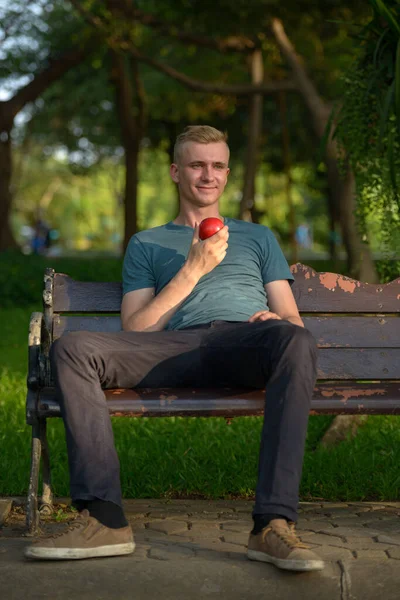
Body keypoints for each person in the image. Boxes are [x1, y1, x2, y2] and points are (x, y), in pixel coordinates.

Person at [25, 125, 324, 572]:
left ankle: (273, 525)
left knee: (295, 340)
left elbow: (293, 322)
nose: (209, 175)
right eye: (197, 165)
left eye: (218, 165)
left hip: (243, 343)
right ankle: (104, 519)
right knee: (73, 348)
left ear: (227, 173)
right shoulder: (147, 242)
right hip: (170, 347)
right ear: (175, 172)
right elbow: (137, 327)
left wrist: (274, 322)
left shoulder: (259, 238)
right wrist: (192, 269)